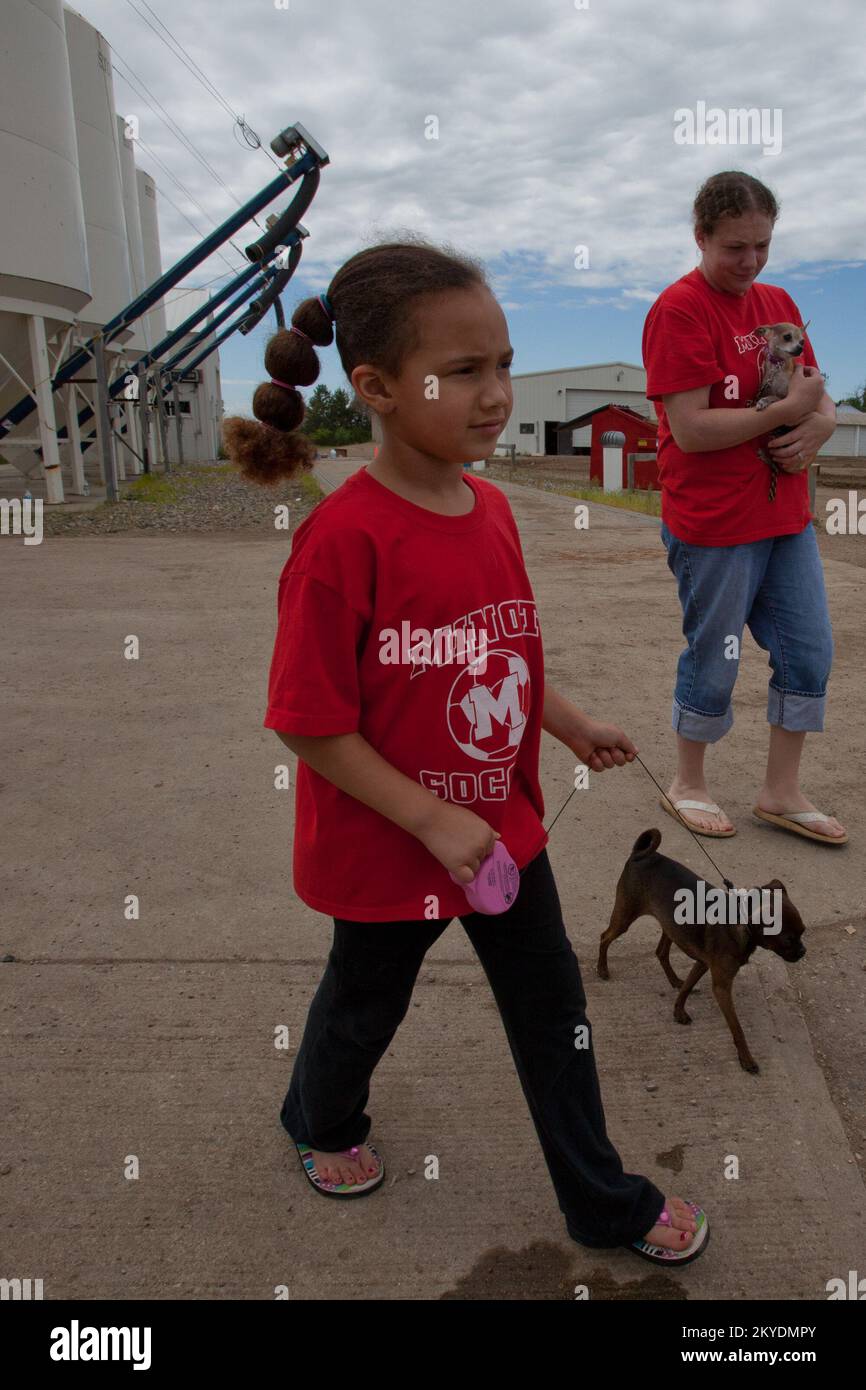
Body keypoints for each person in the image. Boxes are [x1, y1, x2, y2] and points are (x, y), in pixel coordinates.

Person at [221, 236, 709, 1266]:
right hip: (389, 848)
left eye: (502, 362)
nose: (495, 393)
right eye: (464, 370)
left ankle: (601, 1201)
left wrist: (563, 719)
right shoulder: (342, 540)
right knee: (362, 1002)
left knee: (553, 1014)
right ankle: (320, 1117)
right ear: (378, 387)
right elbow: (307, 719)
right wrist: (430, 816)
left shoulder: (489, 508)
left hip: (501, 835)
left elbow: (501, 652)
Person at [642, 170, 847, 846]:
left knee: (809, 652)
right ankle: (688, 784)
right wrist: (786, 413)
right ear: (700, 236)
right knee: (716, 654)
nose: (751, 261)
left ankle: (780, 792)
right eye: (735, 246)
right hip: (715, 523)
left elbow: (817, 391)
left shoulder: (778, 301)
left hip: (784, 519)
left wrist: (819, 424)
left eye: (762, 244)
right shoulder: (679, 309)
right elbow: (693, 429)